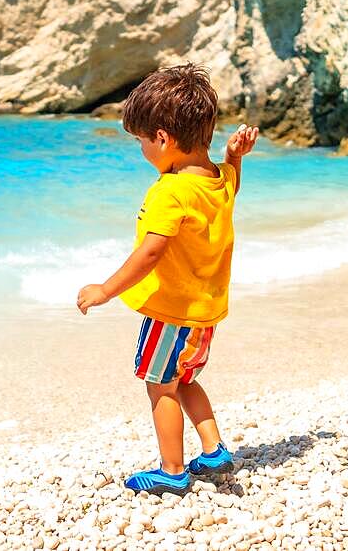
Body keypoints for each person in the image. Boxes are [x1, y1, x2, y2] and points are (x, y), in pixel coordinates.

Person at [77, 64, 259, 496]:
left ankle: (172, 470)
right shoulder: (216, 179)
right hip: (205, 312)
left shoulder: (170, 191)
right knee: (187, 379)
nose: (141, 148)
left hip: (171, 312)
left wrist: (105, 289)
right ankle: (213, 450)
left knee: (160, 385)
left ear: (162, 138)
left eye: (142, 139)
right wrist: (233, 156)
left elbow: (152, 250)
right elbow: (232, 182)